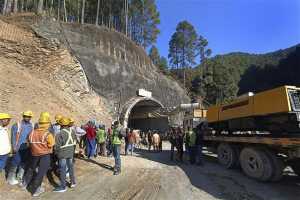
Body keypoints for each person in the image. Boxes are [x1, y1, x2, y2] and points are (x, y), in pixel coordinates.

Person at [21, 112, 55, 197]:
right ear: (47, 124)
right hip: (45, 155)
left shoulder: (31, 133)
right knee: (41, 172)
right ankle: (36, 190)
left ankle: (25, 183)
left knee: (31, 169)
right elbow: (51, 144)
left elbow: (28, 143)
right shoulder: (48, 134)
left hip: (34, 154)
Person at [8, 111, 34, 185]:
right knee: (15, 162)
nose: (27, 117)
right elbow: (13, 137)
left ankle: (20, 176)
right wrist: (13, 147)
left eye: (29, 116)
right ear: (23, 116)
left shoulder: (32, 125)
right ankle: (11, 178)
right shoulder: (17, 125)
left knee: (24, 162)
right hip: (18, 147)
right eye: (26, 116)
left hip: (27, 147)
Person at [53, 117, 77, 192]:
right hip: (70, 152)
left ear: (61, 125)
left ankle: (63, 187)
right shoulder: (72, 131)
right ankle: (73, 182)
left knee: (62, 169)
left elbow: (57, 147)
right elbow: (75, 142)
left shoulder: (59, 134)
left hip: (62, 153)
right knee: (70, 167)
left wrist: (56, 154)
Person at [0, 113, 12, 187]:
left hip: (5, 153)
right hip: (1, 153)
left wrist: (10, 149)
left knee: (2, 167)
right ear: (2, 120)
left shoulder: (5, 129)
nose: (8, 122)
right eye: (7, 120)